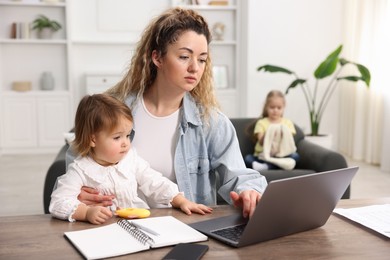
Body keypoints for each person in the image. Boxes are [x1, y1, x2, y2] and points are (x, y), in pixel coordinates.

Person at [67, 7, 268, 218]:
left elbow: (240, 175)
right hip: (116, 226)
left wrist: (250, 192)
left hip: (186, 231)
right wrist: (79, 193)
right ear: (157, 58)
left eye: (201, 59)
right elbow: (75, 158)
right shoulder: (114, 109)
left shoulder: (211, 122)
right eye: (184, 56)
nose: (195, 68)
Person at [51, 94, 212, 224]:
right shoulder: (80, 169)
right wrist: (85, 212)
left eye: (128, 135)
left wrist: (180, 200)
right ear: (93, 140)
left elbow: (154, 181)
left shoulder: (130, 159)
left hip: (139, 224)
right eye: (117, 137)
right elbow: (58, 202)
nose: (125, 143)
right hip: (102, 231)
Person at [244, 90, 299, 171]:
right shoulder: (261, 123)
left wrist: (282, 133)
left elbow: (289, 140)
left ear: (283, 108)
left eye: (279, 108)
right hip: (263, 155)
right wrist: (269, 132)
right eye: (272, 107)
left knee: (295, 156)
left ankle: (266, 167)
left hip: (282, 155)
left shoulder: (287, 123)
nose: (275, 110)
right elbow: (261, 142)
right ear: (266, 107)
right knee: (248, 158)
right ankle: (273, 165)